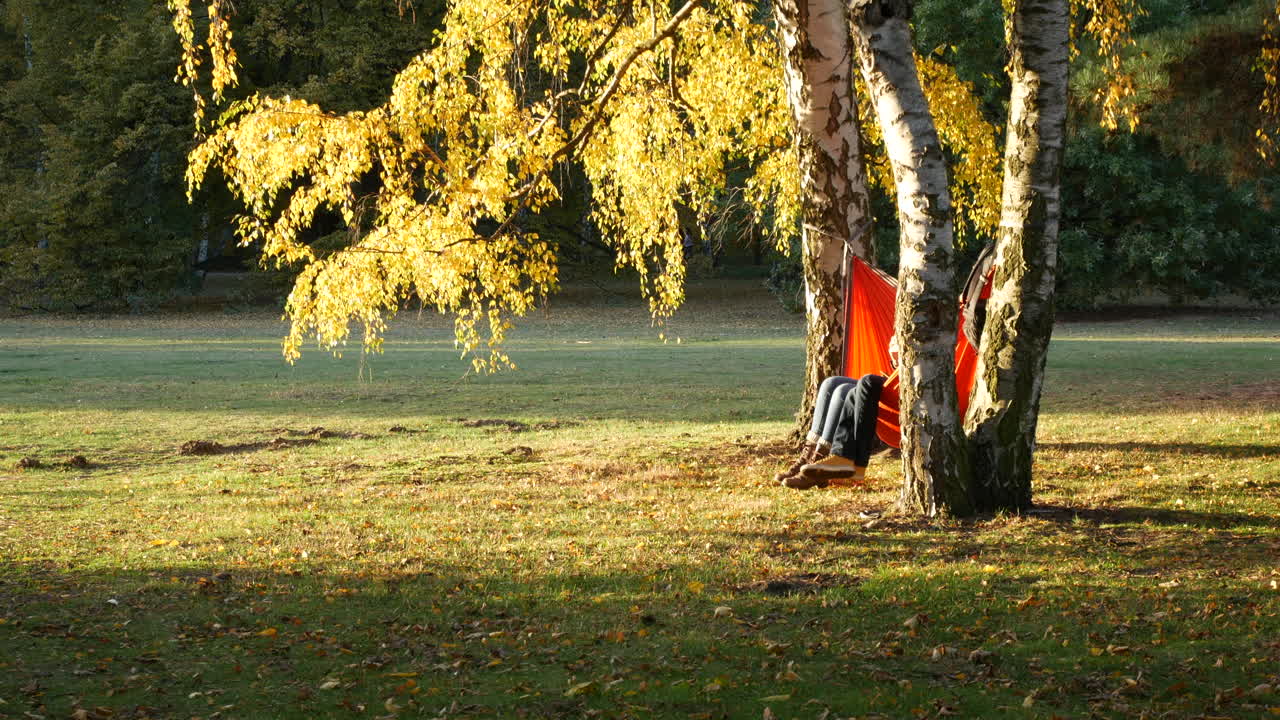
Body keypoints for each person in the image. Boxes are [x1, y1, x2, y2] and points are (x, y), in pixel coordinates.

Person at [777, 244, 996, 490]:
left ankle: (840, 461)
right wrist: (899, 355)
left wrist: (904, 354)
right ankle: (812, 459)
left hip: (924, 394)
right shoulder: (950, 319)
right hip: (911, 381)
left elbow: (937, 361)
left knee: (860, 385)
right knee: (833, 384)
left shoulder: (959, 328)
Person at [775, 339, 896, 490]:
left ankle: (821, 462)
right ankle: (809, 456)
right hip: (895, 380)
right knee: (831, 383)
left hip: (905, 389)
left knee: (844, 391)